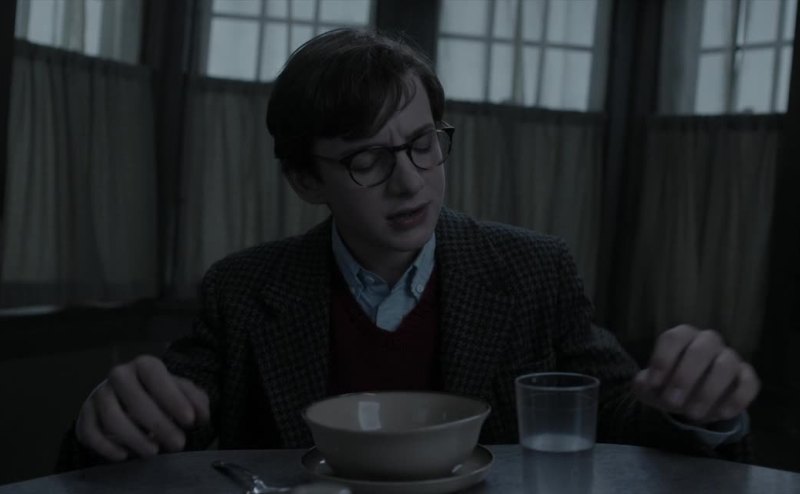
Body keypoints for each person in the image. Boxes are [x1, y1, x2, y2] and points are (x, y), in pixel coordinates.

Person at [58, 28, 760, 469]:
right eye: (367, 160)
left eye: (424, 143)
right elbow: (162, 423)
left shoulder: (533, 269)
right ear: (306, 180)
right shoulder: (243, 290)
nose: (410, 181)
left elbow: (621, 417)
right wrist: (113, 422)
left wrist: (698, 409)